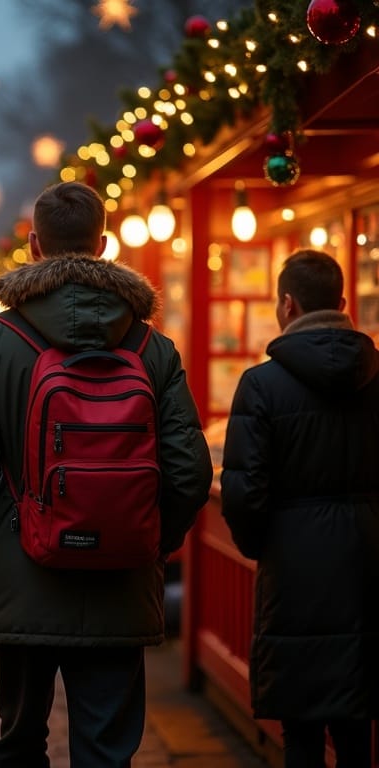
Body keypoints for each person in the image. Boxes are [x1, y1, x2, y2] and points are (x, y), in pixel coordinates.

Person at [0, 181, 212, 767]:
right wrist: (151, 544)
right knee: (107, 749)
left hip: (16, 574)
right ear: (104, 244)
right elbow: (188, 472)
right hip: (120, 579)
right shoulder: (151, 348)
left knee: (20, 741)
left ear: (33, 246)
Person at [220, 249, 379, 768]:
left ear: (286, 305)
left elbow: (244, 493)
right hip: (365, 565)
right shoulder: (375, 379)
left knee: (302, 732)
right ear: (341, 302)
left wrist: (264, 544)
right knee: (359, 727)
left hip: (294, 573)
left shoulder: (262, 385)